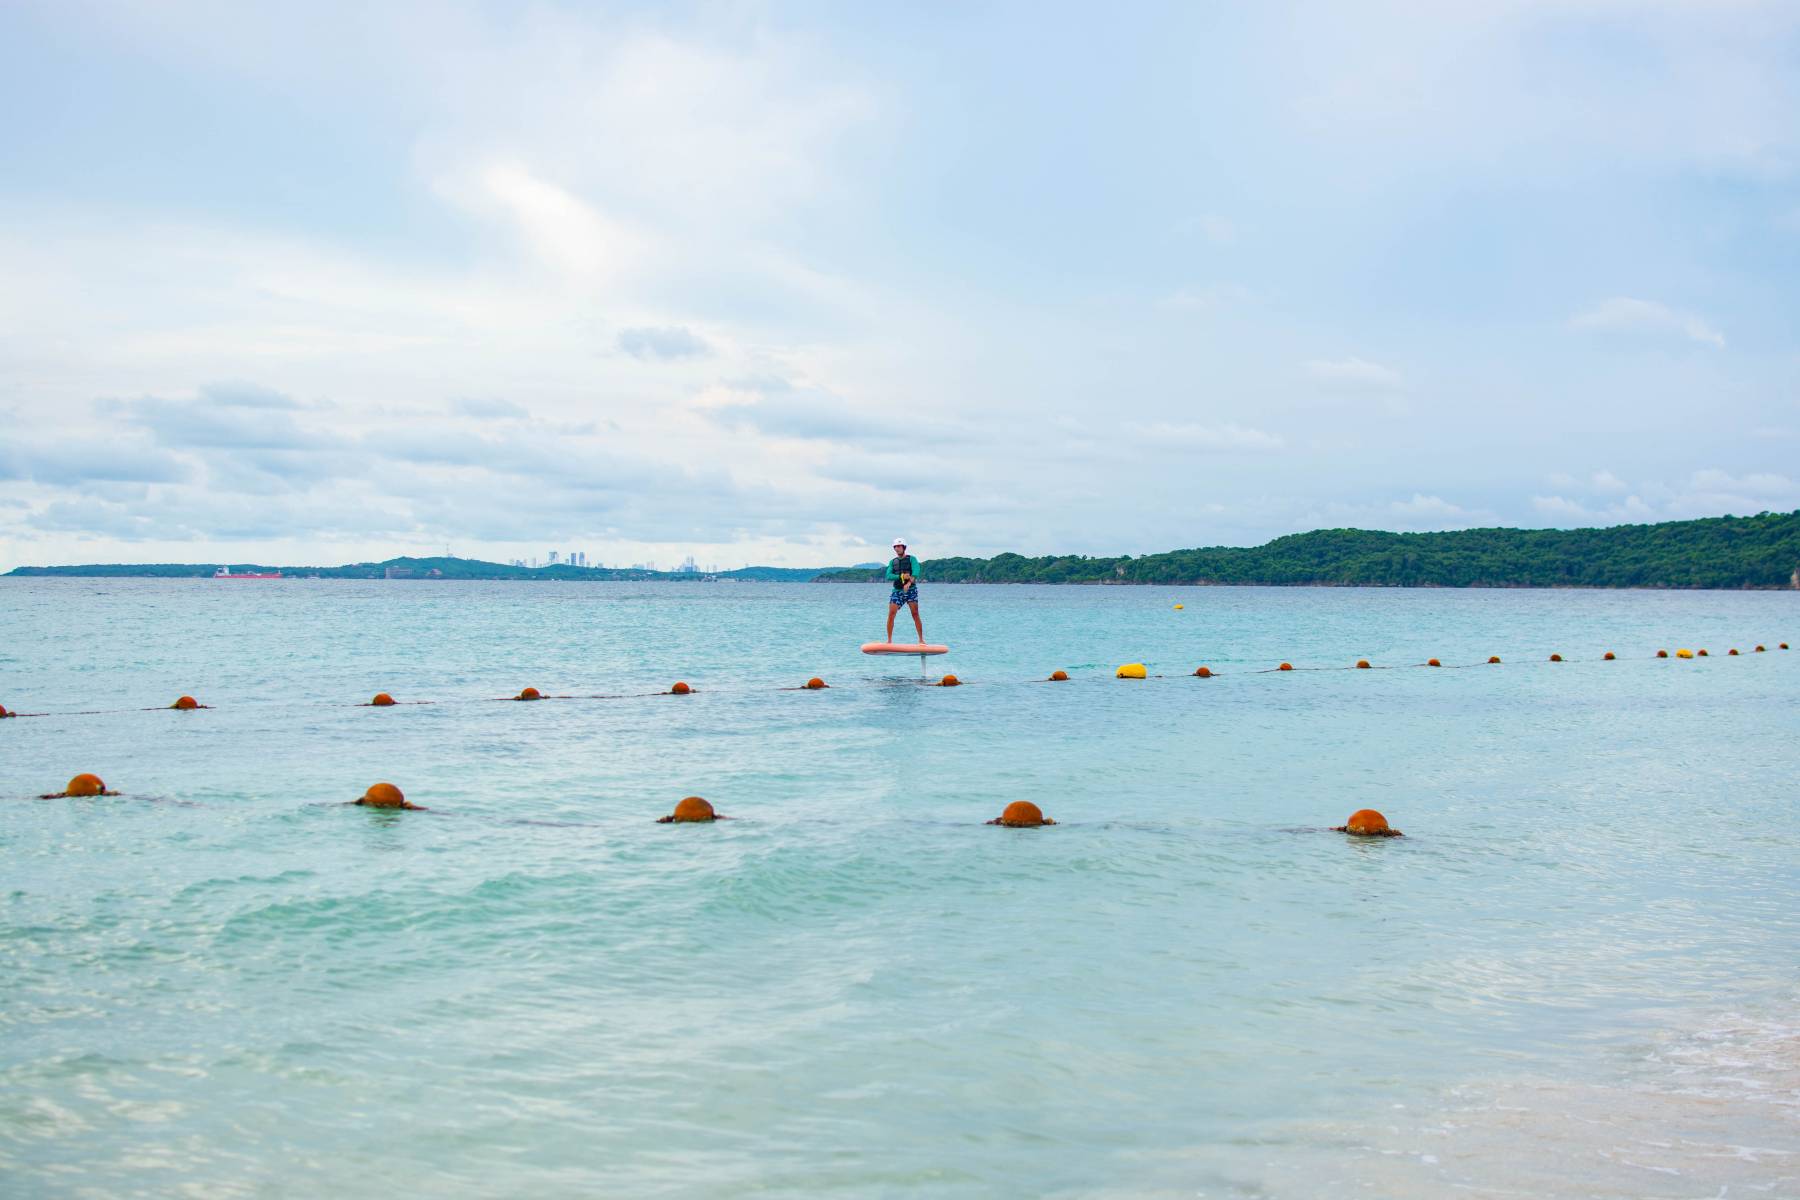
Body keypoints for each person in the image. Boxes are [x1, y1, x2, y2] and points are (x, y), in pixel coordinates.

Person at [885, 538, 925, 644]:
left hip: (911, 590)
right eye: (895, 547)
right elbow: (888, 576)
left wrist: (908, 583)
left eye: (899, 546)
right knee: (891, 613)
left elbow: (916, 571)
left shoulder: (912, 559)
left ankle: (921, 640)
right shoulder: (892, 562)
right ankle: (889, 640)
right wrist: (901, 576)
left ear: (904, 547)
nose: (897, 549)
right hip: (897, 591)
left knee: (915, 613)